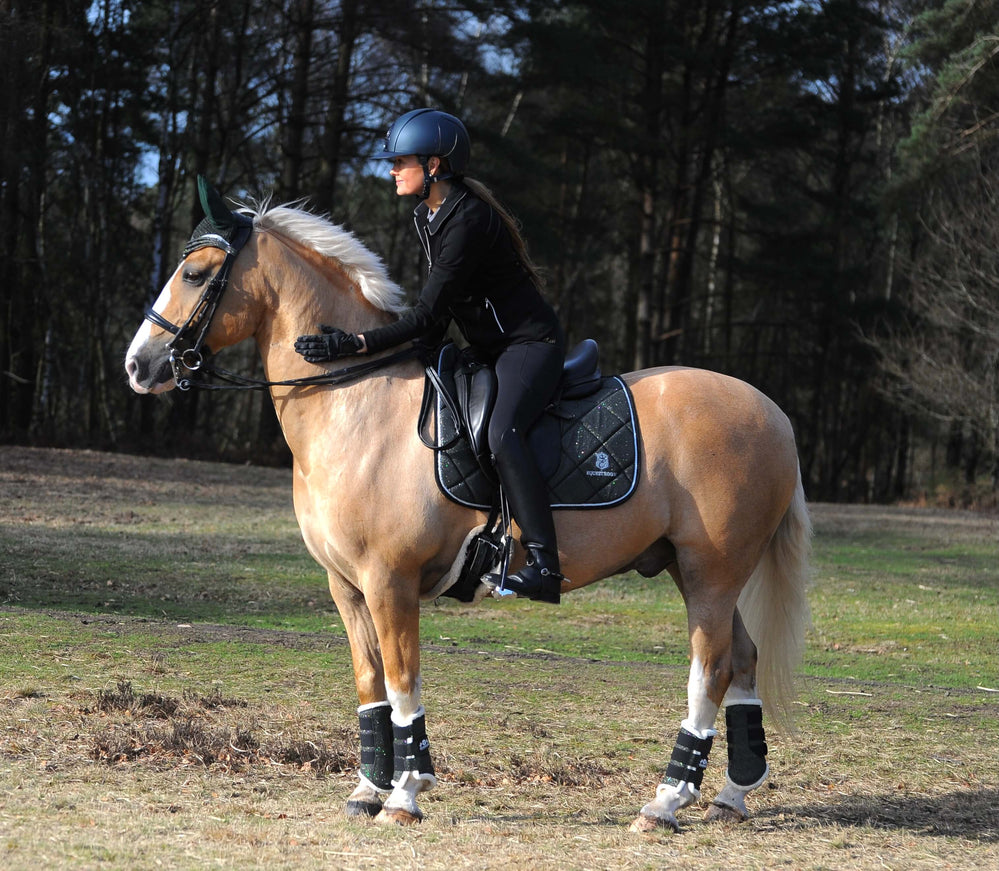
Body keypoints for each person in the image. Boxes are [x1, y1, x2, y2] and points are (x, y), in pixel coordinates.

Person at [294, 108, 566, 604]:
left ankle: (545, 565)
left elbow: (425, 314)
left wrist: (355, 344)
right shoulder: (428, 216)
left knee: (503, 432)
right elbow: (436, 320)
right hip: (485, 348)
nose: (392, 170)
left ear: (434, 165)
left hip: (529, 346)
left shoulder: (471, 219)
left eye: (401, 161)